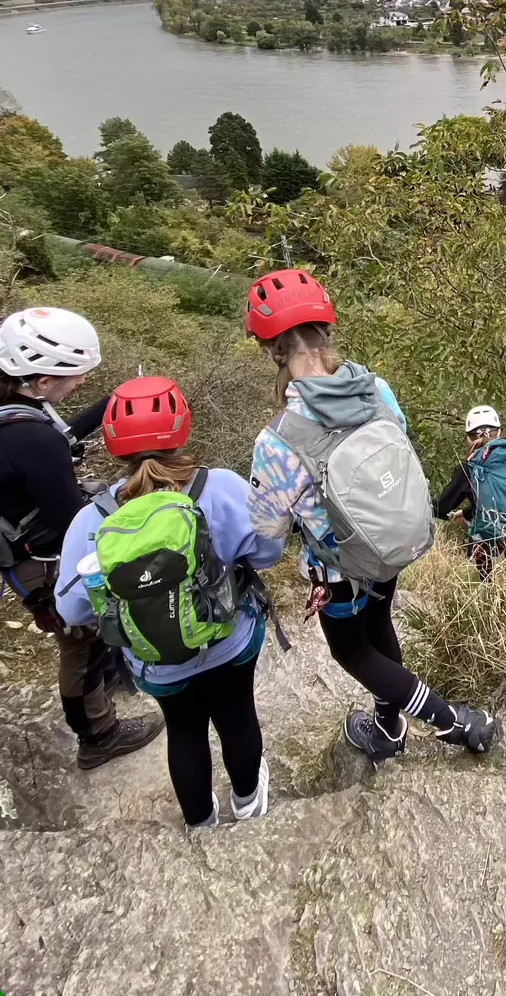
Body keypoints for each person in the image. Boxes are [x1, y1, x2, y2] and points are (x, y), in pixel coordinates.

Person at [245, 269, 497, 764]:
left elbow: (266, 535)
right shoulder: (374, 388)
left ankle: (455, 724)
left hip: (339, 570)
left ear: (272, 350)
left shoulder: (277, 441)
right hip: (391, 542)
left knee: (353, 652)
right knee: (379, 624)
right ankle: (387, 723)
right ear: (327, 330)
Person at [56, 376, 282, 831]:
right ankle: (248, 803)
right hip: (228, 642)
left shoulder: (93, 519)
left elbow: (73, 610)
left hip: (155, 662)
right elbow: (268, 552)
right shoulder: (219, 487)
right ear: (182, 429)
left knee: (184, 730)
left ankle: (200, 823)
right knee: (238, 716)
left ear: (114, 445)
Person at [0, 306, 162, 769]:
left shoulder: (17, 410)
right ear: (41, 381)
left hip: (16, 549)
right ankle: (98, 735)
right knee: (80, 642)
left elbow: (56, 438)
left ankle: (108, 677)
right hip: (41, 559)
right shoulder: (32, 439)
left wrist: (114, 402)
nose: (81, 383)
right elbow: (72, 519)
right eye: (73, 375)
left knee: (86, 640)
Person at [435, 405, 502, 575]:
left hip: (490, 542)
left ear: (468, 438)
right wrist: (466, 512)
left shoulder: (469, 468)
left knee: (489, 591)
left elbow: (441, 507)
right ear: (499, 433)